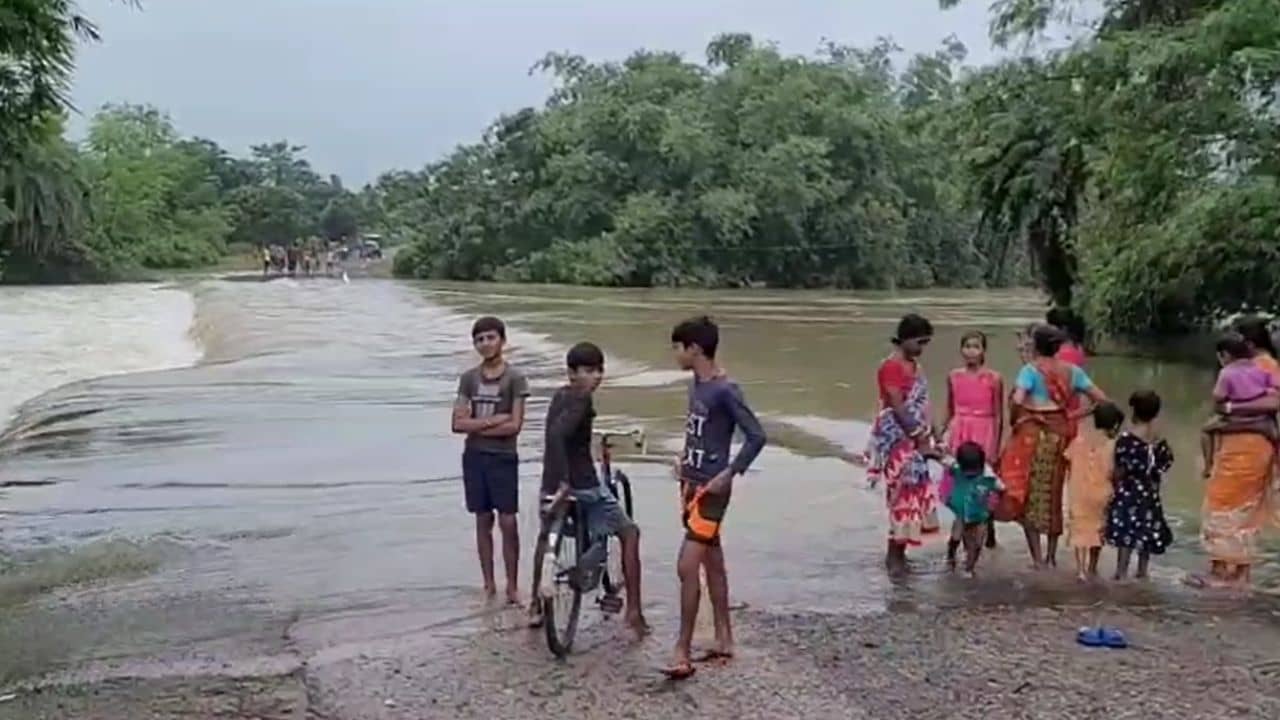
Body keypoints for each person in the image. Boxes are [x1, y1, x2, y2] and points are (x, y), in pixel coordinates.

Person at [665, 316, 766, 681]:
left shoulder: (726, 390)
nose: (675, 354)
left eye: (678, 347)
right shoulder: (696, 385)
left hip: (712, 491)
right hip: (690, 484)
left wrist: (731, 472)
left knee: (686, 566)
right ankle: (724, 637)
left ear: (695, 349)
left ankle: (682, 649)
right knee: (713, 562)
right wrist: (683, 459)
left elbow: (756, 436)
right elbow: (700, 433)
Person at [527, 342, 647, 634]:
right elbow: (558, 434)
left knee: (545, 539)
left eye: (599, 370)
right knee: (630, 533)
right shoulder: (582, 400)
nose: (596, 376)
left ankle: (534, 605)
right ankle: (633, 611)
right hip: (581, 485)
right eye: (589, 371)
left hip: (550, 483)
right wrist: (569, 480)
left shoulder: (560, 396)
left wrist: (558, 481)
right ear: (572, 373)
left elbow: (557, 437)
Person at [998, 324, 1107, 569]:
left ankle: (1037, 559)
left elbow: (1017, 400)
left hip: (1033, 435)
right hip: (1060, 436)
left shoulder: (1029, 370)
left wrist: (1020, 418)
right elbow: (1101, 399)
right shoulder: (1073, 371)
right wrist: (1074, 415)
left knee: (1030, 494)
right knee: (1054, 493)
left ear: (1036, 346)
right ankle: (1052, 556)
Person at [451, 316, 530, 604]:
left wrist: (476, 422)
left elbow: (515, 426)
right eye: (480, 339)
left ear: (502, 341)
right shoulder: (469, 378)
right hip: (474, 457)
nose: (485, 343)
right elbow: (456, 424)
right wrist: (495, 419)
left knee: (508, 521)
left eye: (490, 337)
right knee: (482, 519)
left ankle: (512, 585)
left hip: (504, 457)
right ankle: (488, 584)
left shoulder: (515, 378)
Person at [868, 314, 941, 574]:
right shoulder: (891, 366)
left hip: (914, 436)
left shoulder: (915, 367)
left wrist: (935, 434)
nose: (922, 349)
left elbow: (924, 403)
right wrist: (919, 437)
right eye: (920, 342)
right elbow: (897, 405)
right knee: (901, 493)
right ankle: (894, 556)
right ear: (906, 338)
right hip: (897, 438)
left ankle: (900, 552)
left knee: (913, 494)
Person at [943, 330, 1003, 547]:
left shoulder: (994, 378)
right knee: (960, 482)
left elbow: (998, 415)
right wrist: (943, 438)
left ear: (983, 351)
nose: (971, 351)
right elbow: (949, 410)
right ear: (961, 350)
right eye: (967, 346)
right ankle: (960, 530)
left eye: (976, 346)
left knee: (985, 483)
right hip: (960, 430)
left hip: (983, 431)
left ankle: (989, 529)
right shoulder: (953, 376)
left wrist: (995, 446)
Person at [1105, 391, 1174, 581]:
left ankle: (1121, 572)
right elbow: (1166, 464)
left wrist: (1113, 482)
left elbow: (1119, 470)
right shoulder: (1159, 441)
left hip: (1128, 494)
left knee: (1125, 533)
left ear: (1133, 411)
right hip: (1150, 494)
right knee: (1146, 531)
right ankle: (1142, 572)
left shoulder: (1126, 440)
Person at [1200, 332, 1277, 478]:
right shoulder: (1258, 368)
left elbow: (1218, 396)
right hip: (1261, 420)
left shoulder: (1227, 373)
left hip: (1236, 419)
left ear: (1225, 355)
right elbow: (1269, 388)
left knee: (1206, 430)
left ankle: (1208, 466)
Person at [1065, 401, 1123, 582]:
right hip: (1102, 492)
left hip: (1079, 492)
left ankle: (1080, 570)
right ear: (1114, 424)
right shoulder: (1113, 445)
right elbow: (1115, 471)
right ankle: (1092, 567)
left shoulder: (1079, 440)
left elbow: (1067, 459)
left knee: (1080, 530)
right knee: (1098, 530)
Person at [943, 442, 1004, 577]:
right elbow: (945, 461)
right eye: (967, 473)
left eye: (973, 473)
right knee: (956, 536)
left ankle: (969, 568)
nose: (970, 475)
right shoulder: (957, 468)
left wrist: (995, 502)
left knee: (976, 543)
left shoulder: (989, 476)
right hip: (962, 512)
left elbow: (1001, 488)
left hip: (981, 515)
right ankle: (951, 558)